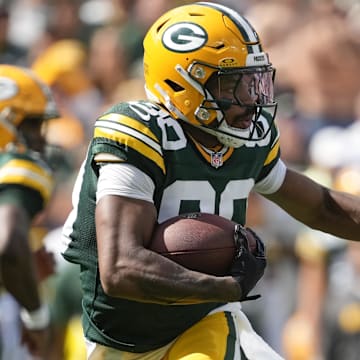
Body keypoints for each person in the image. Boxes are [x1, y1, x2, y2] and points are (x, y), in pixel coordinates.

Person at [61, 2, 360, 359]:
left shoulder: (248, 139)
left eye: (253, 81)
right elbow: (121, 267)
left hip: (203, 321)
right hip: (120, 336)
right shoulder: (141, 134)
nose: (250, 101)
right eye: (233, 83)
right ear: (182, 82)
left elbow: (322, 206)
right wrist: (220, 285)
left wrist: (216, 296)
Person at [0, 64, 60, 358]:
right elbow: (8, 245)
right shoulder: (16, 167)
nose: (41, 137)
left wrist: (13, 275)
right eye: (33, 124)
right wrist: (35, 316)